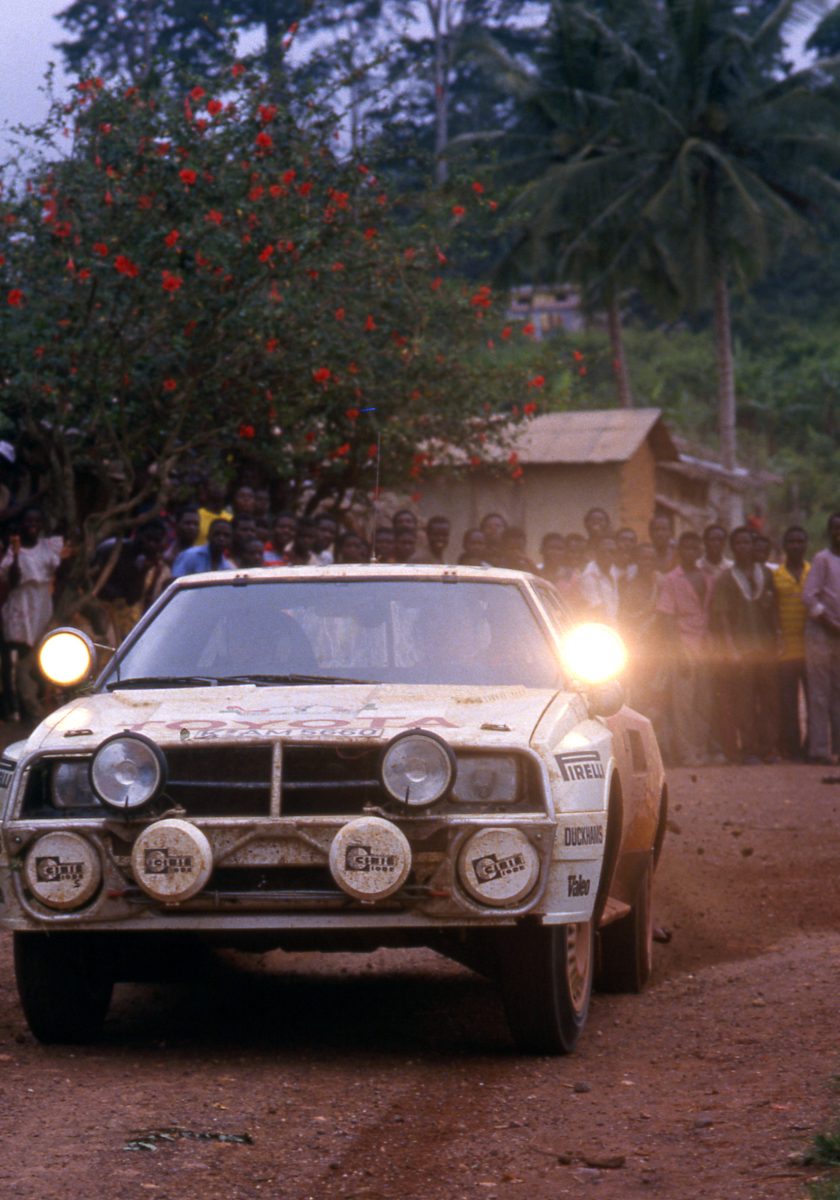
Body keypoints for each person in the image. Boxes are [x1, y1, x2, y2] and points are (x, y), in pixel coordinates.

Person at [709, 526, 780, 763]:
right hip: (742, 651)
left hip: (765, 647)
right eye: (738, 543)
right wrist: (732, 649)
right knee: (745, 701)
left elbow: (773, 610)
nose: (743, 547)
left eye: (747, 542)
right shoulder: (726, 579)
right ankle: (749, 749)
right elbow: (723, 618)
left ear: (754, 545)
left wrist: (778, 637)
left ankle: (769, 748)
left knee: (769, 700)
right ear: (732, 547)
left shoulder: (766, 574)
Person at [0, 509, 65, 720]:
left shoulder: (48, 547)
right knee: (16, 653)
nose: (32, 525)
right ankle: (15, 707)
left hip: (41, 601)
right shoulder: (14, 551)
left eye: (36, 521)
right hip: (21, 602)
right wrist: (16, 554)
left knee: (39, 651)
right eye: (28, 522)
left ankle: (39, 700)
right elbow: (14, 580)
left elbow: (60, 571)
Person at [655, 531, 711, 766]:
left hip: (707, 646)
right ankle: (686, 753)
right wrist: (678, 652)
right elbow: (666, 619)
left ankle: (701, 749)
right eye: (685, 548)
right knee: (683, 704)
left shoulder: (708, 577)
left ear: (700, 551)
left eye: (694, 548)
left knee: (704, 701)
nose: (690, 552)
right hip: (684, 645)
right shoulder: (671, 580)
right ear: (679, 551)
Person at [801, 512, 840, 764]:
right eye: (836, 528)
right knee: (819, 693)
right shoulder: (822, 559)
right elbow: (809, 597)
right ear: (829, 532)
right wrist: (830, 622)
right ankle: (818, 749)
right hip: (821, 632)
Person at [93, 518, 169, 641]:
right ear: (137, 535)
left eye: (156, 541)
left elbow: (133, 598)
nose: (151, 545)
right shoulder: (111, 550)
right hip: (98, 610)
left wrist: (143, 571)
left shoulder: (155, 567)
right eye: (148, 539)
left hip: (126, 618)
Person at [774, 526, 811, 760]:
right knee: (787, 702)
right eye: (791, 542)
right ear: (784, 546)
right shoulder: (776, 575)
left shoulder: (813, 572)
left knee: (813, 702)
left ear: (806, 545)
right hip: (785, 650)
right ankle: (792, 748)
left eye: (800, 541)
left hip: (811, 649)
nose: (795, 546)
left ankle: (811, 747)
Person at [578, 534, 619, 621]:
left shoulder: (613, 569)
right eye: (603, 552)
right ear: (596, 553)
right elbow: (596, 609)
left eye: (612, 552)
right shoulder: (589, 576)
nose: (607, 555)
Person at [196, 478, 232, 545]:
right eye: (214, 484)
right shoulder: (196, 516)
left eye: (221, 484)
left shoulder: (230, 519)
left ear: (227, 489)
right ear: (206, 489)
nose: (218, 487)